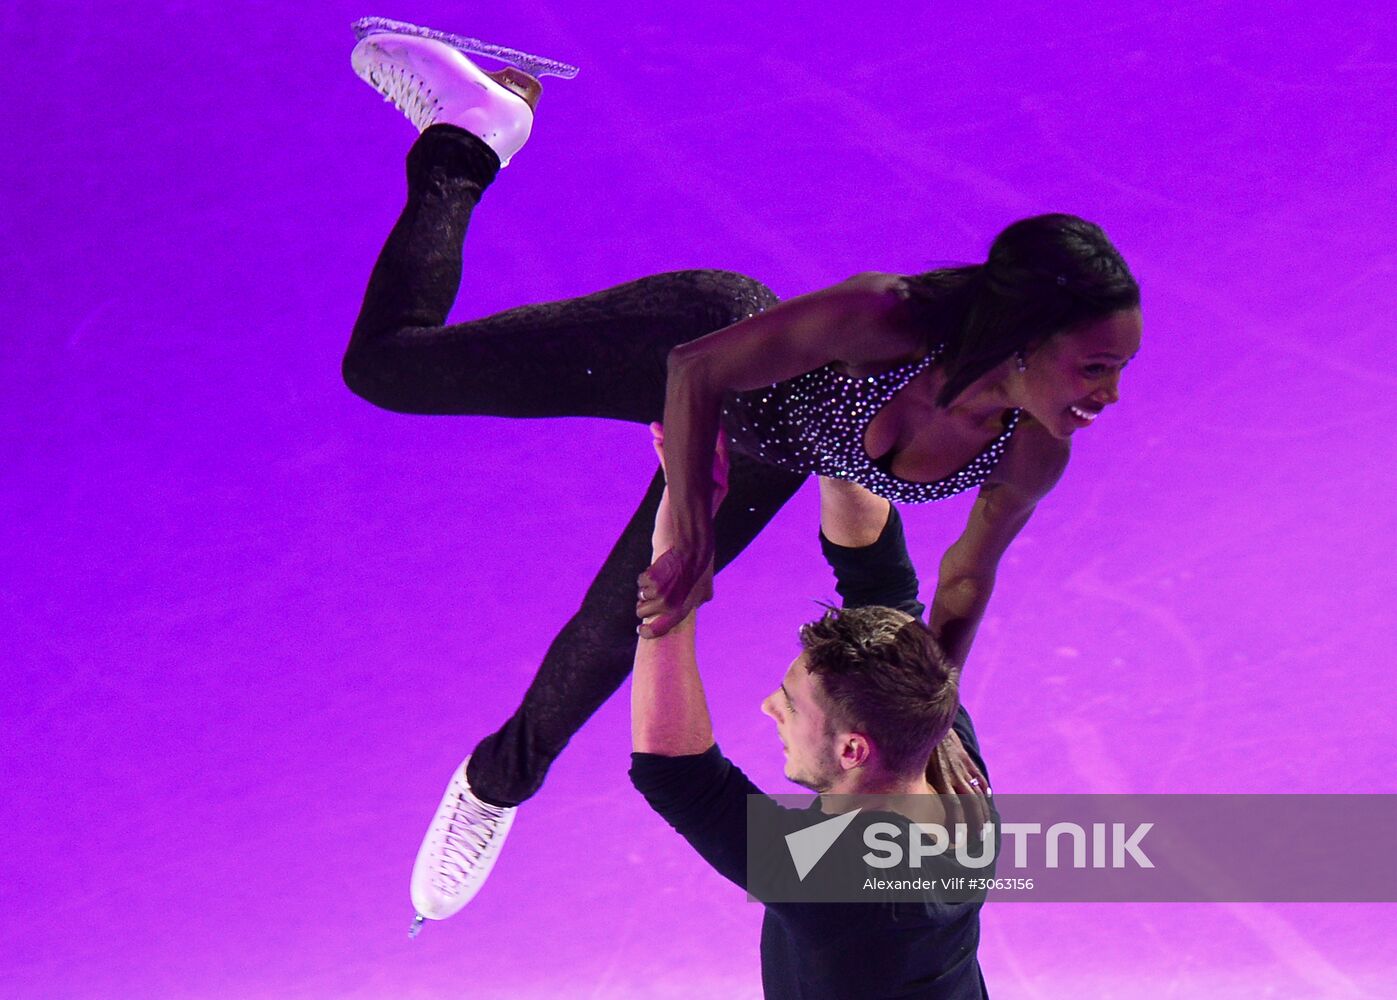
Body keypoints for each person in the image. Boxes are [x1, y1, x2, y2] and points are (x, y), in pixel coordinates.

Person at [341, 26, 1140, 927]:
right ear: (1027, 341)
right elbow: (696, 375)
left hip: (768, 452)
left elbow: (962, 581)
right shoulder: (887, 317)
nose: (1110, 395)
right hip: (695, 350)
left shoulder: (1035, 447)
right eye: (1095, 367)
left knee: (621, 627)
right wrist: (693, 518)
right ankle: (469, 135)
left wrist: (928, 733)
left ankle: (494, 784)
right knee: (386, 370)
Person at [631, 423, 992, 998]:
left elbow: (678, 773)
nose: (769, 706)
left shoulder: (847, 883)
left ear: (854, 749)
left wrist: (678, 550)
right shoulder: (942, 751)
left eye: (792, 707)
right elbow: (882, 585)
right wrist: (835, 434)